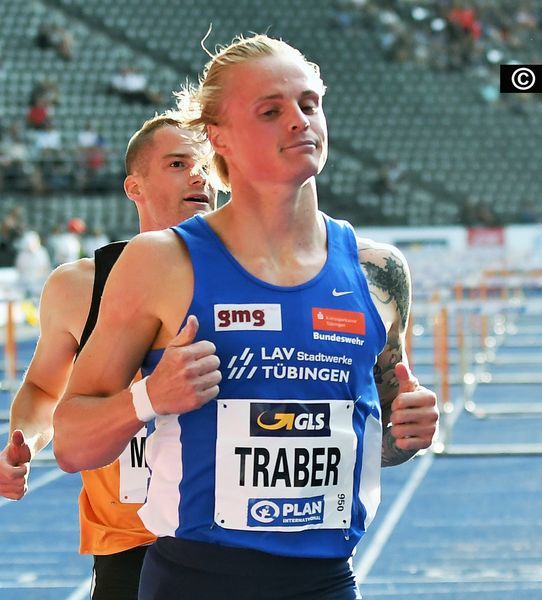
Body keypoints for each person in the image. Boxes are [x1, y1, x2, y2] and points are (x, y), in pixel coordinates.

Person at [53, 34, 438, 600]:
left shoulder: (376, 270)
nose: (298, 121)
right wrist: (149, 397)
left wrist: (407, 431)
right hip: (194, 581)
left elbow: (379, 439)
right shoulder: (162, 263)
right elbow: (70, 441)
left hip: (326, 582)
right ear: (218, 136)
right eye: (270, 110)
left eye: (309, 104)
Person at [0, 114, 217, 599]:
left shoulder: (250, 280)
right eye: (179, 163)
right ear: (134, 187)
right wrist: (25, 443)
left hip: (225, 536)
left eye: (206, 164)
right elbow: (40, 390)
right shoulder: (79, 285)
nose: (199, 175)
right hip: (128, 541)